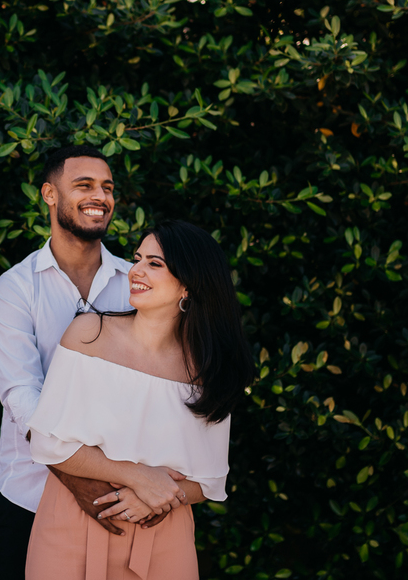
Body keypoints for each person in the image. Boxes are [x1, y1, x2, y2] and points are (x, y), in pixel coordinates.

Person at [24, 220, 254, 580]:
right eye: (138, 258)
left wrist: (156, 495)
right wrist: (137, 477)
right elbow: (48, 441)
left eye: (155, 263)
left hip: (163, 534)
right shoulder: (89, 333)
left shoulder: (208, 368)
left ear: (189, 284)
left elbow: (210, 480)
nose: (136, 270)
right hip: (73, 521)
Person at [0, 144, 144, 580]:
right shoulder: (16, 288)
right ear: (49, 195)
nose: (101, 196)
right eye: (84, 185)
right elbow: (21, 395)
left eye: (107, 187)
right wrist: (80, 479)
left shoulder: (136, 285)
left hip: (120, 498)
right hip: (28, 496)